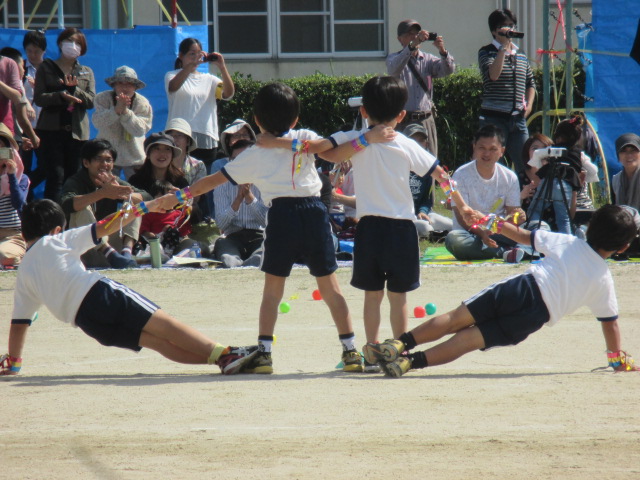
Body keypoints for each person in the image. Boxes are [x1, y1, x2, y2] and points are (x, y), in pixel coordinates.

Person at [157, 83, 397, 374]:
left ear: (257, 121)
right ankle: (349, 352)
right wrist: (366, 139)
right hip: (313, 214)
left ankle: (265, 355)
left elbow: (211, 181)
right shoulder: (304, 136)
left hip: (282, 216)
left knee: (272, 291)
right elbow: (326, 149)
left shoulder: (252, 154)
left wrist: (178, 196)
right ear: (295, 120)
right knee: (331, 288)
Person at [363, 204, 640, 376]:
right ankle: (409, 364)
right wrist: (616, 360)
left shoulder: (567, 242)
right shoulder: (603, 279)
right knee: (468, 341)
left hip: (523, 288)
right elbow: (610, 324)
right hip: (535, 318)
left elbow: (519, 235)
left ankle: (400, 344)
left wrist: (489, 220)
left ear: (590, 226)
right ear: (624, 247)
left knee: (455, 318)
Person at [315, 76, 473, 372]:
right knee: (397, 296)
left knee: (373, 295)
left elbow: (325, 153)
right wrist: (461, 205)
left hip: (370, 228)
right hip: (401, 229)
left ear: (363, 111)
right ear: (401, 116)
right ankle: (398, 349)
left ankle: (373, 351)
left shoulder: (355, 141)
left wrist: (363, 139)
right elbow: (441, 174)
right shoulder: (403, 143)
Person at [0, 198, 258, 376]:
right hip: (101, 296)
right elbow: (103, 227)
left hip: (88, 324)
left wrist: (14, 362)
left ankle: (225, 361)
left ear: (23, 235)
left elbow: (19, 324)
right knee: (165, 324)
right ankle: (226, 354)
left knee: (158, 343)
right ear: (57, 229)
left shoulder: (24, 273)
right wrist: (146, 207)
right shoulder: (55, 241)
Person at [60, 139, 150, 269]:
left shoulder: (114, 181)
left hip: (115, 250)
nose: (104, 164)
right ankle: (110, 254)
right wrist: (103, 193)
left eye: (108, 160)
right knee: (81, 208)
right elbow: (66, 205)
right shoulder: (75, 181)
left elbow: (148, 197)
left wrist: (124, 194)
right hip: (84, 249)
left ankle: (126, 254)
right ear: (86, 162)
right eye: (99, 159)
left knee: (134, 203)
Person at [444, 124, 527, 262]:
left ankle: (509, 249)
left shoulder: (509, 177)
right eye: (482, 148)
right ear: (474, 147)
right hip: (471, 233)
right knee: (454, 239)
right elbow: (461, 217)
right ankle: (507, 251)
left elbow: (512, 213)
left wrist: (518, 216)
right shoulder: (460, 175)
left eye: (493, 149)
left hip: (500, 231)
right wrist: (482, 234)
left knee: (539, 228)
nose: (487, 154)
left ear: (502, 151)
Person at [34, 27, 95, 203]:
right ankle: (51, 219)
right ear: (60, 43)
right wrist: (60, 95)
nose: (73, 46)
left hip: (77, 133)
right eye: (69, 41)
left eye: (78, 43)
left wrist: (75, 90)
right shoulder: (46, 67)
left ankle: (71, 219)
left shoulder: (86, 71)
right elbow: (39, 98)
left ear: (82, 49)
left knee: (73, 177)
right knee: (55, 176)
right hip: (51, 131)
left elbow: (91, 101)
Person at [386, 19, 455, 157]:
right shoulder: (394, 58)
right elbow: (393, 70)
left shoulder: (428, 59)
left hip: (425, 119)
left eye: (417, 33)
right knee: (402, 160)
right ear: (400, 39)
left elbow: (448, 70)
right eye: (410, 34)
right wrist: (410, 47)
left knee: (429, 161)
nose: (415, 37)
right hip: (403, 120)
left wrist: (442, 51)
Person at [478, 8, 535, 174]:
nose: (510, 30)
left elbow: (530, 82)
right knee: (496, 165)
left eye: (512, 25)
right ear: (495, 30)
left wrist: (529, 105)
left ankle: (523, 198)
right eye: (505, 26)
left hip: (517, 119)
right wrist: (503, 49)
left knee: (526, 162)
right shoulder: (487, 51)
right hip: (494, 118)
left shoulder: (520, 53)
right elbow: (493, 75)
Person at [165, 38, 234, 166]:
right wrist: (190, 66)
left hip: (205, 136)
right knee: (180, 177)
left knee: (204, 180)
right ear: (181, 56)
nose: (196, 58)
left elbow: (228, 94)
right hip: (180, 136)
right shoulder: (172, 75)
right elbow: (173, 87)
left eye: (199, 54)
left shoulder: (210, 79)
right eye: (192, 54)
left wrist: (222, 67)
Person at [213, 138, 267, 268]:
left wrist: (249, 196)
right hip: (232, 236)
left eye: (245, 160)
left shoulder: (266, 181)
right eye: (235, 160)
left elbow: (268, 222)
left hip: (260, 236)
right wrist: (237, 200)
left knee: (260, 259)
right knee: (228, 261)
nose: (240, 166)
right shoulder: (222, 183)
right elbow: (220, 224)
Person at [92, 66, 152, 180]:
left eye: (129, 83)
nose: (124, 87)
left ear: (135, 87)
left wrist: (125, 112)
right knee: (107, 191)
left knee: (137, 191)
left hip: (135, 156)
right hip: (107, 155)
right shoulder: (102, 98)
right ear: (113, 85)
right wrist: (115, 110)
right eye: (120, 83)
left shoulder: (142, 103)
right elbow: (98, 123)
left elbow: (140, 130)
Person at [526, 116, 584, 235]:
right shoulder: (577, 153)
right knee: (564, 219)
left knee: (534, 210)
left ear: (558, 136)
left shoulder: (552, 149)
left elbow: (537, 156)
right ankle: (566, 246)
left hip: (548, 181)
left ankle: (537, 233)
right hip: (566, 185)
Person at [403, 123, 453, 237]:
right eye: (412, 140)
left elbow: (427, 199)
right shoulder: (397, 166)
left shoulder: (427, 167)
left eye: (421, 140)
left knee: (452, 226)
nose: (417, 145)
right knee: (426, 228)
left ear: (426, 144)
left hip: (423, 215)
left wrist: (423, 212)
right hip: (403, 218)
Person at [208, 119, 257, 217]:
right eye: (236, 135)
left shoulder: (260, 165)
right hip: (224, 217)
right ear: (229, 141)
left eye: (245, 135)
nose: (241, 138)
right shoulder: (219, 165)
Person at [164, 118, 209, 219]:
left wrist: (177, 196)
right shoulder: (160, 161)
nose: (174, 139)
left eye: (179, 135)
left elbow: (197, 195)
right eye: (171, 135)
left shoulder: (198, 165)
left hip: (189, 212)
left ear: (188, 141)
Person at [21, 29, 47, 198]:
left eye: (36, 51)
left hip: (46, 126)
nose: (32, 55)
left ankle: (24, 189)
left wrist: (40, 86)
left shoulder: (50, 69)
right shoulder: (21, 68)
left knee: (47, 165)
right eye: (29, 51)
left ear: (43, 51)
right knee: (22, 165)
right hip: (23, 126)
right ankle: (25, 200)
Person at [0, 123, 28, 267]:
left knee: (5, 256)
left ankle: (15, 259)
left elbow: (19, 204)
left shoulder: (21, 178)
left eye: (2, 148)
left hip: (12, 235)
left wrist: (11, 176)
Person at [611, 133, 640, 211]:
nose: (629, 155)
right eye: (623, 151)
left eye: (633, 150)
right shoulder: (616, 180)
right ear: (618, 156)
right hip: (623, 221)